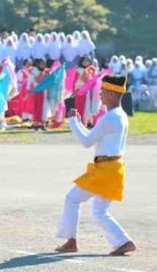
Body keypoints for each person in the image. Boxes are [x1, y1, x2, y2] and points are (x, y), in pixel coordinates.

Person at [55, 75, 137, 255]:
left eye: (104, 92)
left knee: (72, 199)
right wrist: (78, 123)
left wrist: (73, 122)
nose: (100, 94)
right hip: (112, 168)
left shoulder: (109, 118)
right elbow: (94, 136)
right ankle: (124, 241)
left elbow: (86, 141)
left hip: (105, 169)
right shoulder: (119, 115)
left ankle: (71, 241)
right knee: (99, 212)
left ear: (113, 96)